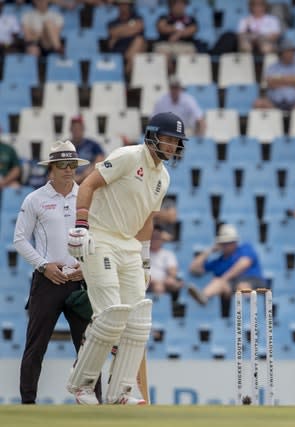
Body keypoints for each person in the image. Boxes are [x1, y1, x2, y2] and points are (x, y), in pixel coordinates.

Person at [65, 111, 187, 405]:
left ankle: (121, 390)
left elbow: (147, 219)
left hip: (129, 246)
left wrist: (144, 259)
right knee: (110, 317)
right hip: (101, 237)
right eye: (168, 139)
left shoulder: (164, 176)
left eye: (176, 141)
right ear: (153, 135)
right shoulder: (128, 156)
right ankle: (82, 385)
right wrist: (81, 225)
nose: (171, 146)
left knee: (138, 321)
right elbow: (89, 185)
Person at [13, 140, 101, 404]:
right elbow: (19, 239)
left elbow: (98, 237)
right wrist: (43, 265)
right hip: (48, 279)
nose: (67, 169)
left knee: (88, 348)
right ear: (51, 168)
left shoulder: (85, 197)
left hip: (78, 280)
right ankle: (27, 405)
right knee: (35, 346)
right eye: (62, 164)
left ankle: (94, 403)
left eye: (72, 164)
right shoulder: (35, 199)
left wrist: (86, 268)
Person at [187, 224, 266, 315]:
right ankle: (203, 297)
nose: (227, 245)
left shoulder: (245, 248)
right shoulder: (218, 262)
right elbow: (193, 268)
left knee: (241, 286)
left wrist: (224, 278)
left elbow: (244, 264)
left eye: (230, 242)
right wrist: (209, 251)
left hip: (252, 280)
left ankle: (251, 313)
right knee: (217, 282)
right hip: (231, 287)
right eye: (224, 243)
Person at [254, 39, 295, 110]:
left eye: (293, 51)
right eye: (289, 51)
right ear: (281, 53)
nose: (292, 53)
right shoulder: (272, 67)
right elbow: (270, 83)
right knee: (258, 104)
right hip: (274, 103)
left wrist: (279, 80)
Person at [107, 0, 146, 75]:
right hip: (118, 50)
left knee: (139, 41)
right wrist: (130, 29)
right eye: (121, 5)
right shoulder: (112, 22)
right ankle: (124, 75)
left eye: (126, 5)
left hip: (133, 52)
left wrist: (119, 32)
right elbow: (113, 32)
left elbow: (138, 27)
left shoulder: (138, 18)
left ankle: (124, 75)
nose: (123, 7)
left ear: (130, 6)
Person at [148, 224, 182, 302]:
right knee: (158, 287)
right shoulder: (143, 255)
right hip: (148, 282)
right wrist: (154, 282)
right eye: (153, 237)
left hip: (164, 282)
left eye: (157, 237)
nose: (155, 240)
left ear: (162, 239)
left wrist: (169, 278)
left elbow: (173, 271)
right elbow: (143, 272)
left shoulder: (168, 254)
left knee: (173, 282)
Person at [68, 115, 105, 184]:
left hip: (88, 180)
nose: (77, 131)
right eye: (74, 128)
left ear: (83, 129)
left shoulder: (93, 145)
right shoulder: (65, 145)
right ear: (70, 129)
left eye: (79, 128)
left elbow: (100, 160)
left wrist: (82, 176)